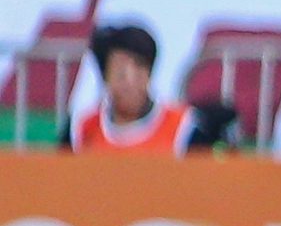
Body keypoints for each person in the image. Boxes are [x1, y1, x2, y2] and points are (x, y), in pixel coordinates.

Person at [68, 23, 230, 153]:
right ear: (105, 77)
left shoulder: (185, 128)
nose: (129, 82)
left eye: (138, 70)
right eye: (120, 73)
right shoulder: (80, 129)